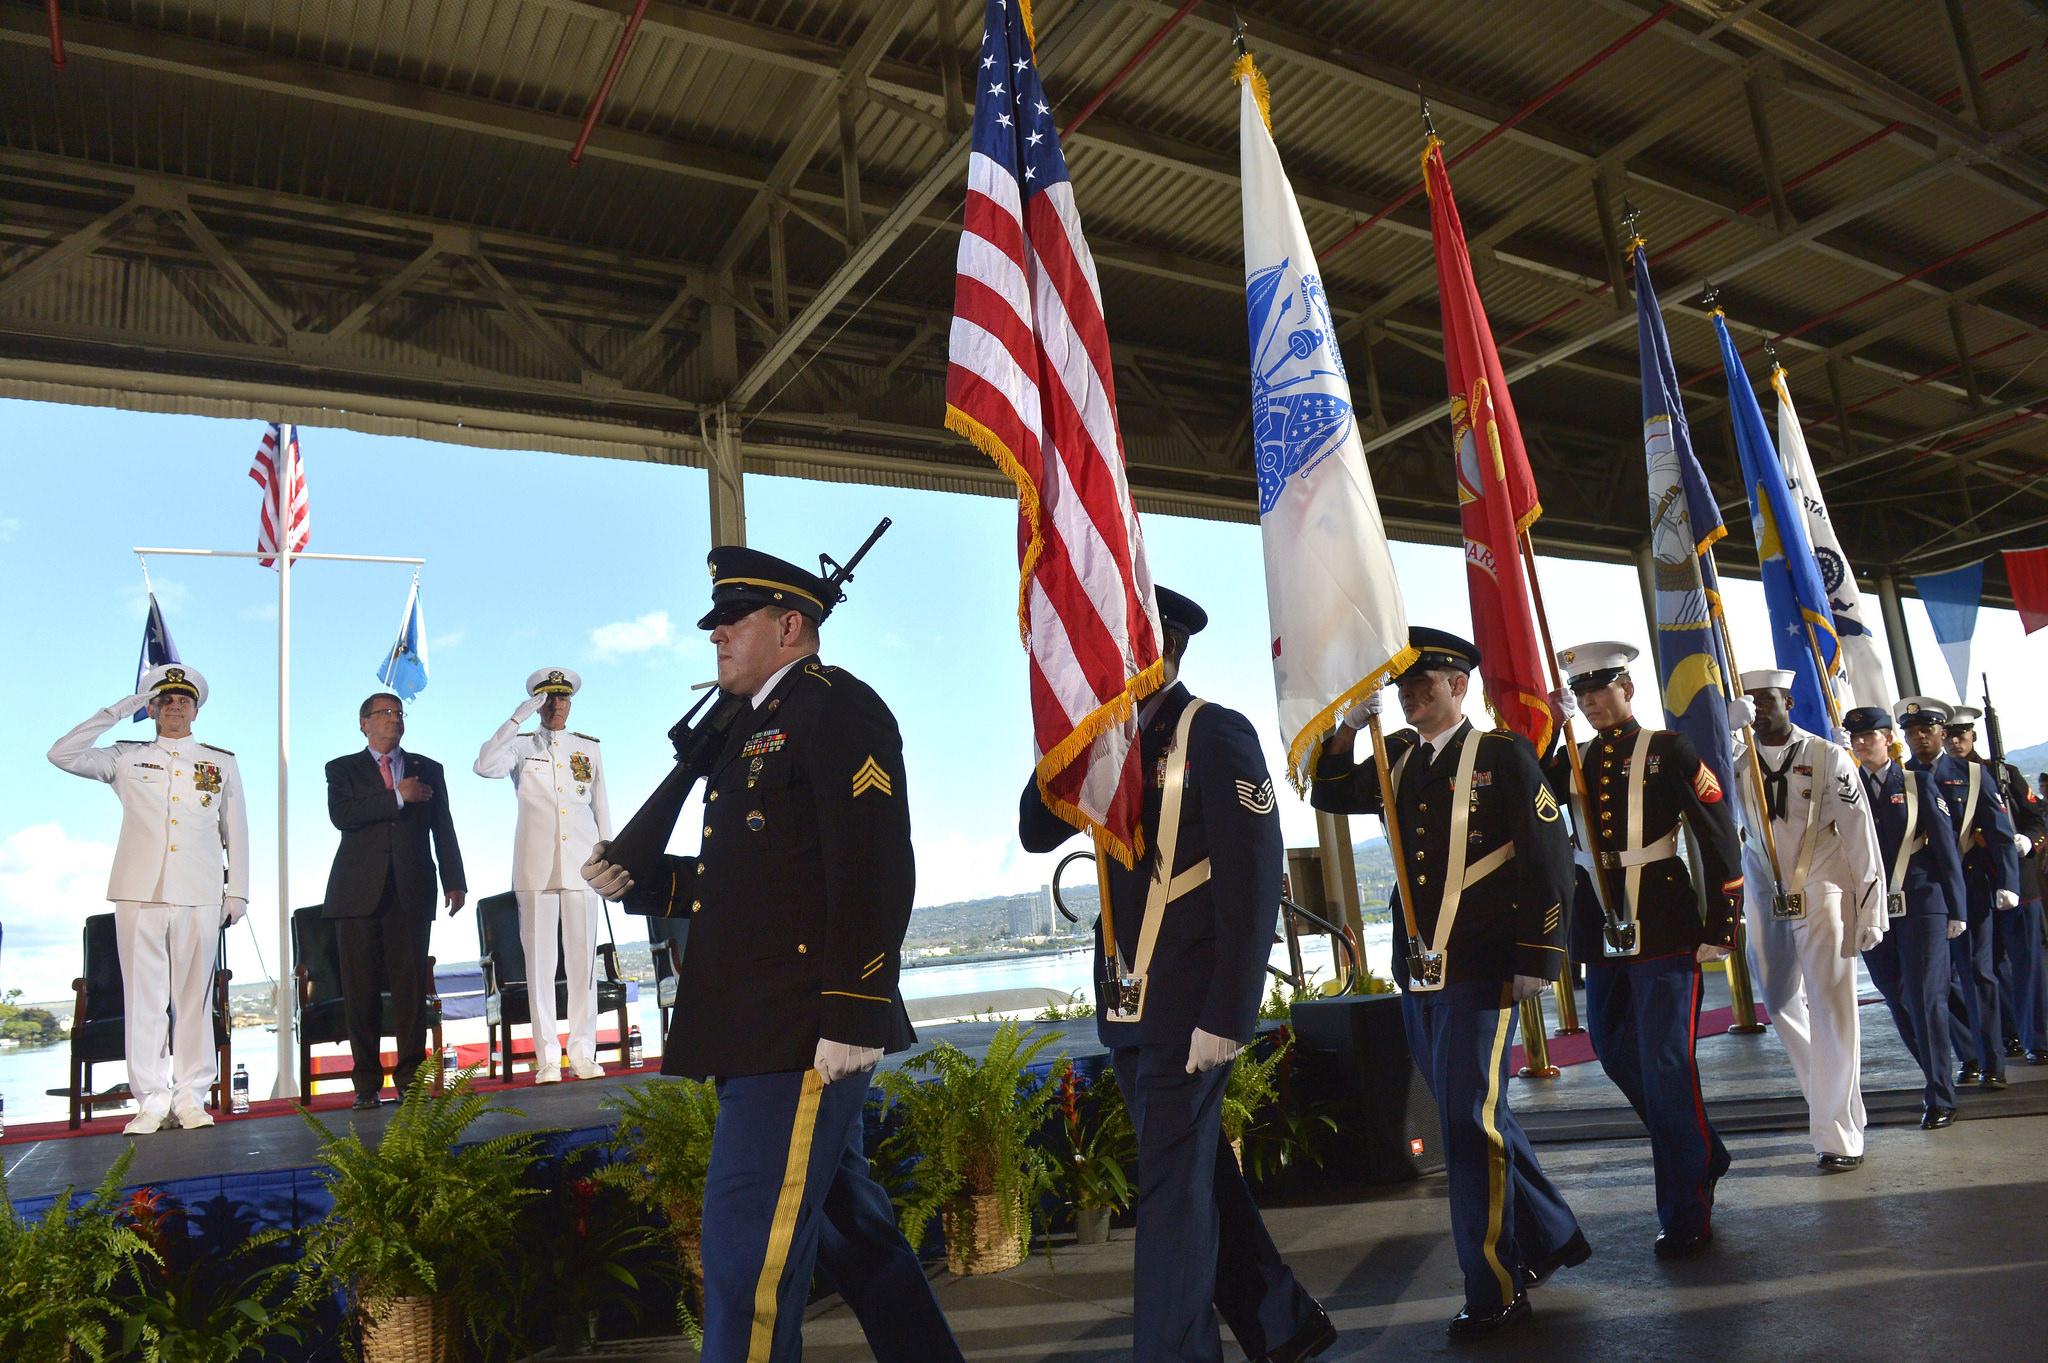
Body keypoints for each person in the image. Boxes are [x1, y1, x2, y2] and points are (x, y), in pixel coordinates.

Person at [581, 546, 960, 1363]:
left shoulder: (836, 709)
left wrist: (857, 1010)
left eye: (732, 620)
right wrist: (645, 882)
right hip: (762, 1025)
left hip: (798, 1033)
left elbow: (875, 864)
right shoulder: (750, 726)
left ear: (791, 625)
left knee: (747, 1258)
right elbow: (752, 878)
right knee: (851, 1233)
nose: (715, 634)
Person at [1017, 588, 1335, 1363]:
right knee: (1196, 1176)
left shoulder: (1215, 733)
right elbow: (1033, 828)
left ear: (1161, 649)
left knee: (1170, 1196)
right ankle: (1282, 1319)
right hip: (1128, 1002)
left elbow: (1255, 879)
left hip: (1193, 1006)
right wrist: (1074, 734)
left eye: (1119, 641)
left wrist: (1229, 1013)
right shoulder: (1104, 743)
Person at [1311, 628, 1583, 1340]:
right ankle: (1551, 1231)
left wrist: (1538, 952)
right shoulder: (1396, 755)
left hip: (1485, 962)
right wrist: (1345, 726)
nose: (1408, 694)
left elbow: (1549, 855)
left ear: (1459, 685)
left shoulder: (1501, 754)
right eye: (1403, 685)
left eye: (1423, 683)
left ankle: (1493, 1283)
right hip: (1420, 968)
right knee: (1476, 1112)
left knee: (1466, 1123)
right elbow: (1331, 788)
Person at [1543, 642, 1742, 1257]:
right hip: (1599, 932)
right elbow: (1537, 797)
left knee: (1665, 1066)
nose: (1593, 702)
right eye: (1582, 694)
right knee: (1611, 1050)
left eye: (1601, 689)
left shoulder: (1668, 751)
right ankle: (1700, 1146)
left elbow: (1716, 837)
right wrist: (1552, 728)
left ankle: (1686, 1211)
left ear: (1626, 687)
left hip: (1663, 924)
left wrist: (1721, 925)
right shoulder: (1573, 758)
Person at [48, 665, 248, 1134]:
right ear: (152, 709)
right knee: (144, 999)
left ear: (196, 708)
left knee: (193, 998)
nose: (174, 707)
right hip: (139, 891)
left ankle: (192, 1096)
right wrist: (120, 708)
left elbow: (235, 829)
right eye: (164, 701)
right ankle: (152, 1100)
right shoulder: (125, 757)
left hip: (198, 891)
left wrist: (237, 889)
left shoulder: (220, 761)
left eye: (183, 700)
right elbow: (61, 754)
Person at [1727, 670, 1884, 1171]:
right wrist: (1724, 732)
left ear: (1789, 701)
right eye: (1748, 702)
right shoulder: (1736, 758)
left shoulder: (1826, 756)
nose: (1758, 709)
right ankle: (1832, 1102)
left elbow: (1861, 833)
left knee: (1832, 1005)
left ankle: (1837, 1134)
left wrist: (1871, 905)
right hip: (1764, 888)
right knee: (1777, 999)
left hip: (1823, 885)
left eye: (1766, 700)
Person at [323, 692, 467, 1109]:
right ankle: (366, 1085)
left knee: (409, 992)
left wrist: (454, 879)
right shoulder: (342, 768)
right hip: (355, 894)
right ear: (364, 722)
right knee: (360, 991)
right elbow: (343, 815)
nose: (393, 719)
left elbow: (444, 826)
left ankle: (410, 1080)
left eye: (398, 713)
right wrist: (399, 797)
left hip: (412, 889)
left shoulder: (428, 769)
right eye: (384, 713)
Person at [475, 667, 614, 1082]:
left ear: (571, 703)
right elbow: (484, 766)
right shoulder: (519, 746)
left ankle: (583, 1052)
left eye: (563, 699)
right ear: (537, 702)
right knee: (539, 967)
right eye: (549, 699)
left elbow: (600, 807)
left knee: (582, 966)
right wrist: (515, 719)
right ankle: (548, 1058)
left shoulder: (587, 748)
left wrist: (610, 861)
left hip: (582, 865)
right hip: (535, 867)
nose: (557, 706)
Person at [1845, 706, 1966, 1128]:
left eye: (1870, 736)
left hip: (1923, 901)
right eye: (1855, 738)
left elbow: (1946, 849)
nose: (1862, 744)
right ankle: (1939, 1073)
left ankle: (1940, 1095)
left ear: (1887, 738)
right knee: (1896, 996)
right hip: (1874, 908)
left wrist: (1957, 909)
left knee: (1925, 998)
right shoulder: (1849, 789)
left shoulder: (1917, 783)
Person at [1898, 699, 2019, 1090]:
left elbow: (1999, 835)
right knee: (1938, 984)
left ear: (1943, 733)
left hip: (1970, 889)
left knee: (1978, 973)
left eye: (1926, 730)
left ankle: (1992, 1061)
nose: (1919, 738)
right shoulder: (1902, 777)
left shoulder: (1972, 775)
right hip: (1927, 894)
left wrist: (2009, 883)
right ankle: (1967, 1055)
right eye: (1911, 732)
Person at [1943, 708, 2046, 1065]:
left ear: (1973, 736)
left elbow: (2037, 817)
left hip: (2019, 877)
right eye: (1950, 735)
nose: (1956, 742)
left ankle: (2039, 1037)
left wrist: (2029, 841)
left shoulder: (2003, 773)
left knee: (2027, 962)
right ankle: (2008, 1033)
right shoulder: (1939, 778)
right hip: (1975, 881)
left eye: (1962, 734)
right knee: (1986, 966)